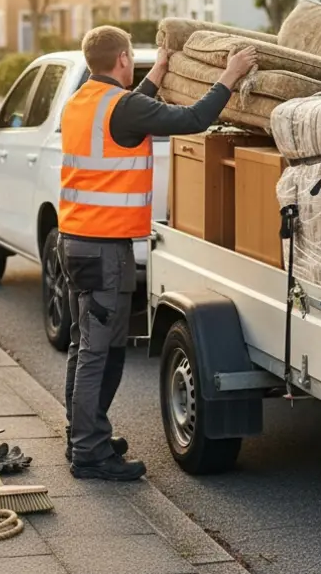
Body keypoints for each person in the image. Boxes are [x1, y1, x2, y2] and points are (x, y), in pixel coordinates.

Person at [59, 25, 257, 481]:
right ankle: (89, 453)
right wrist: (229, 75)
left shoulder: (82, 101)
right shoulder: (123, 106)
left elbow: (126, 120)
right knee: (99, 352)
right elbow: (191, 120)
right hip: (105, 249)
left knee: (84, 346)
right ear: (124, 59)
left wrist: (159, 72)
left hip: (76, 243)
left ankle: (82, 435)